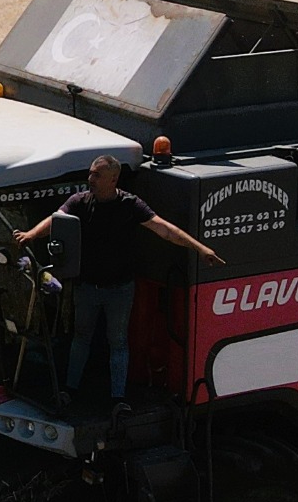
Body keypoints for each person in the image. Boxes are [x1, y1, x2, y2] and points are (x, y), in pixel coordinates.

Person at [15, 155, 224, 410]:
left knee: (118, 342)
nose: (90, 179)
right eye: (91, 174)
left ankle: (118, 399)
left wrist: (200, 248)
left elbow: (165, 229)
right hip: (87, 288)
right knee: (81, 339)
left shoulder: (130, 204)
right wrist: (30, 235)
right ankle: (69, 391)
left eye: (97, 175)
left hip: (120, 290)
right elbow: (55, 220)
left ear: (113, 179)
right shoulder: (80, 201)